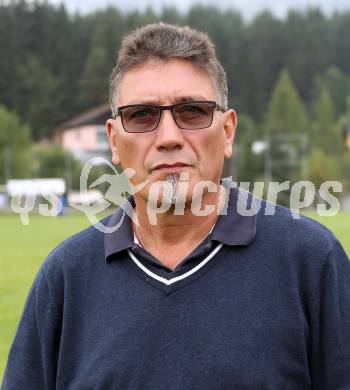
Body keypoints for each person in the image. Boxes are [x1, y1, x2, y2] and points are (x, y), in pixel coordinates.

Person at [2, 22, 350, 389]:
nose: (169, 137)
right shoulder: (65, 277)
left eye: (193, 111)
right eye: (141, 116)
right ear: (114, 142)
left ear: (228, 132)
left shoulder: (311, 261)